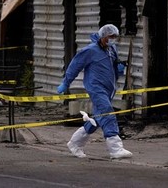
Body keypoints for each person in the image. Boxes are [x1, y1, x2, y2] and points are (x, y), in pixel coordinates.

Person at [57, 24, 133, 159]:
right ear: (103, 36)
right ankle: (116, 148)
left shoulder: (111, 49)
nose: (113, 39)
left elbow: (113, 65)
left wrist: (119, 69)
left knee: (97, 119)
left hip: (109, 89)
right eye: (111, 37)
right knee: (107, 112)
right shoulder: (90, 51)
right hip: (96, 88)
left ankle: (75, 144)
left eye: (115, 37)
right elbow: (75, 66)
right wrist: (66, 83)